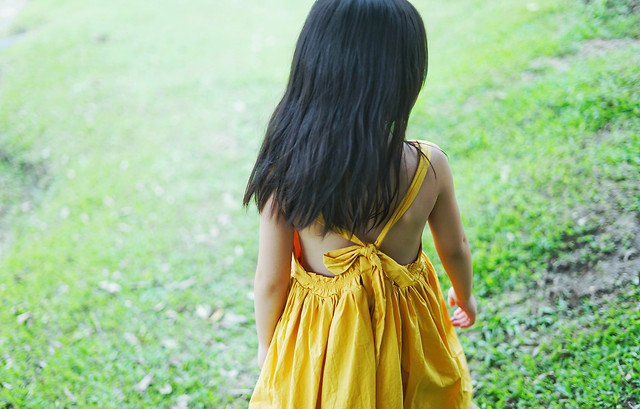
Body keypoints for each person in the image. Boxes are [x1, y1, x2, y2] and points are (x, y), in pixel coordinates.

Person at [243, 0, 478, 407]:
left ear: (311, 67)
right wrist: (465, 295)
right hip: (409, 334)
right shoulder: (429, 165)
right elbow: (455, 247)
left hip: (323, 344)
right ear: (404, 76)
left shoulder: (285, 172)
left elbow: (270, 280)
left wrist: (268, 347)